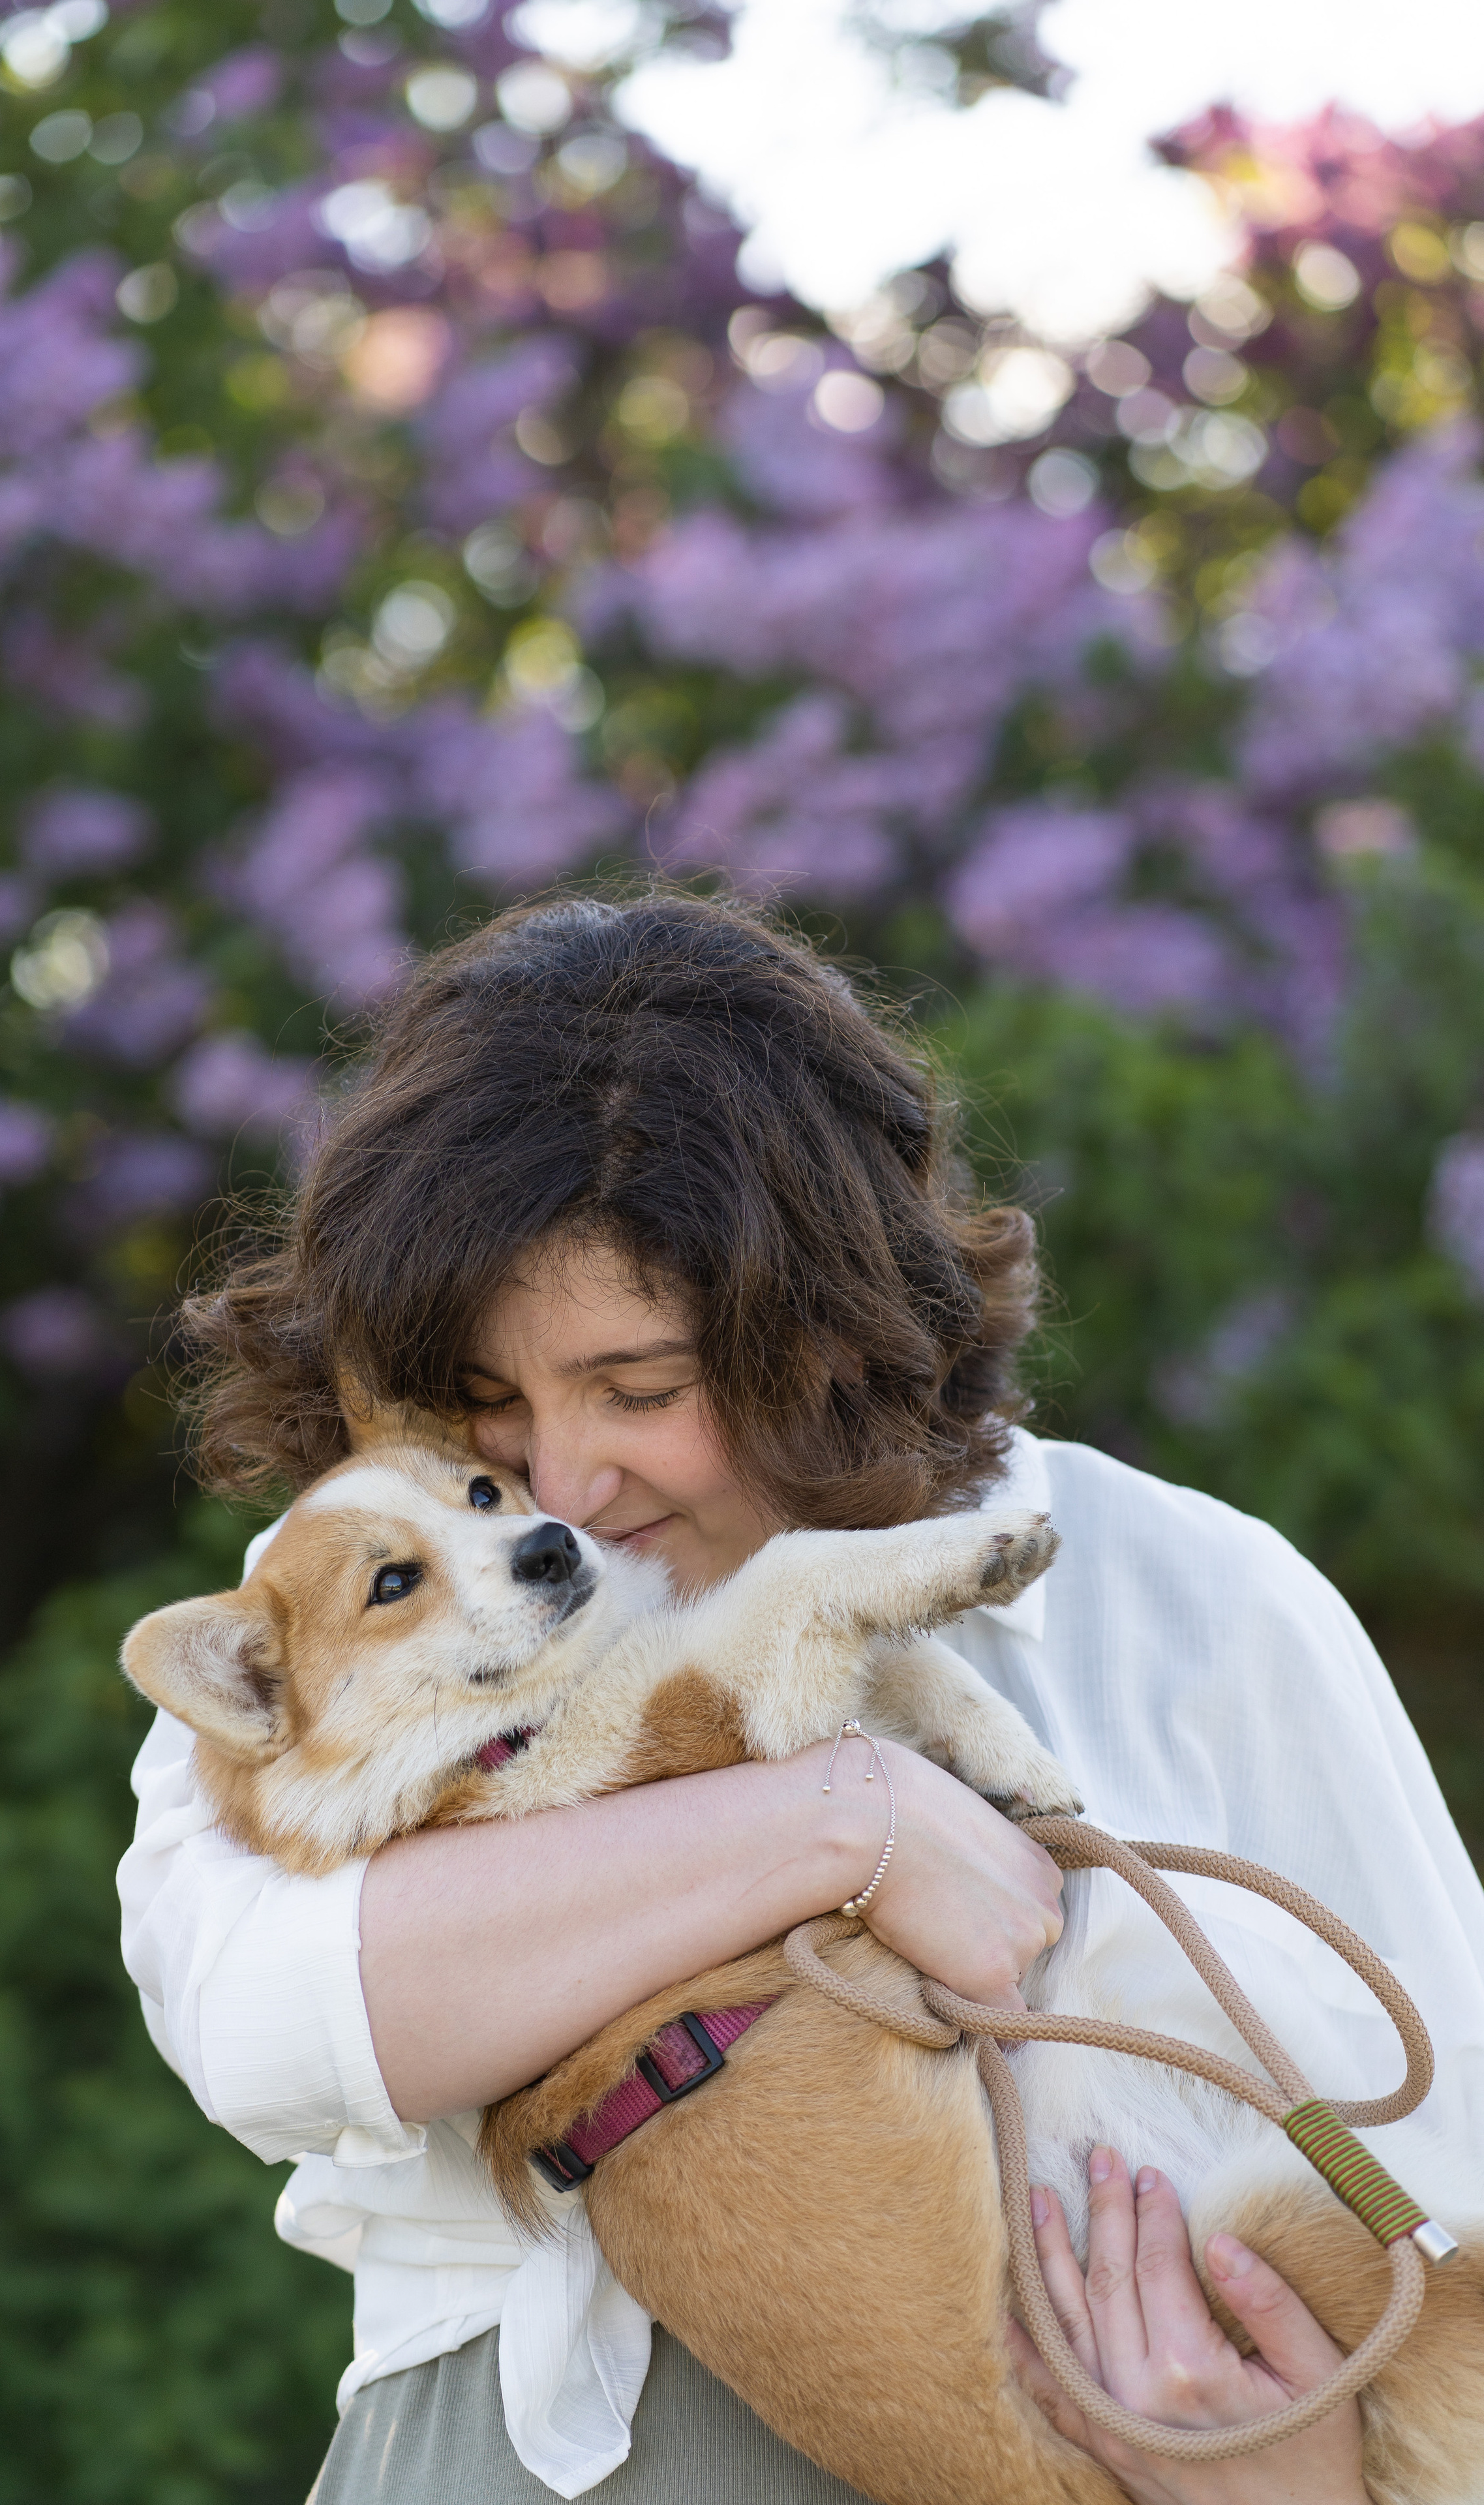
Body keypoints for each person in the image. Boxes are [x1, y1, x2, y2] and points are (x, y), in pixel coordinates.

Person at [118, 891, 1484, 2505]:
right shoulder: (358, 1603)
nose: (560, 1484)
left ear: (826, 1336)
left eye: (639, 1389)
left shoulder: (1193, 1593)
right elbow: (265, 2023)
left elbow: (1450, 2126)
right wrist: (853, 1820)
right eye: (487, 1409)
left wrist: (1308, 2484)